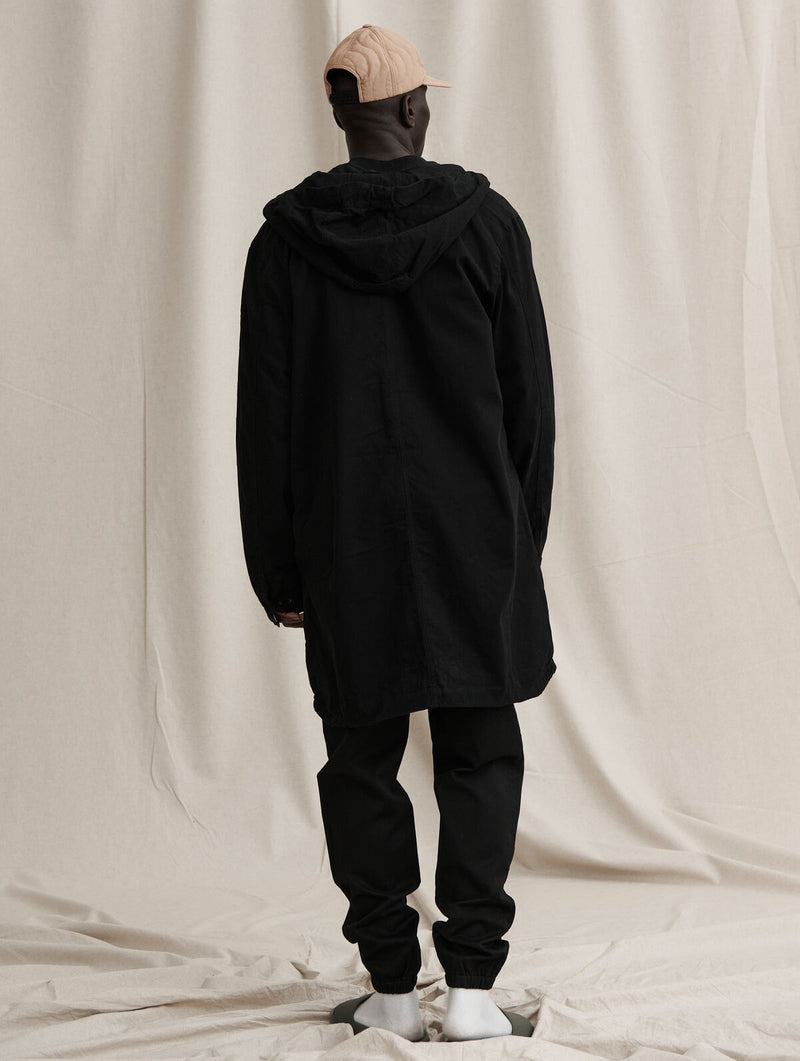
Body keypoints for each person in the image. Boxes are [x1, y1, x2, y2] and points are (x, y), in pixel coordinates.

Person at [236, 23, 556, 1043]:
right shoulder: (488, 225)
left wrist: (280, 572)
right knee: (481, 753)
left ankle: (388, 987)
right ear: (415, 108)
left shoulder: (284, 244)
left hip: (345, 544)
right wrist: (520, 543)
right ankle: (472, 993)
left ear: (340, 111)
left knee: (359, 760)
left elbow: (264, 426)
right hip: (476, 541)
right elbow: (529, 405)